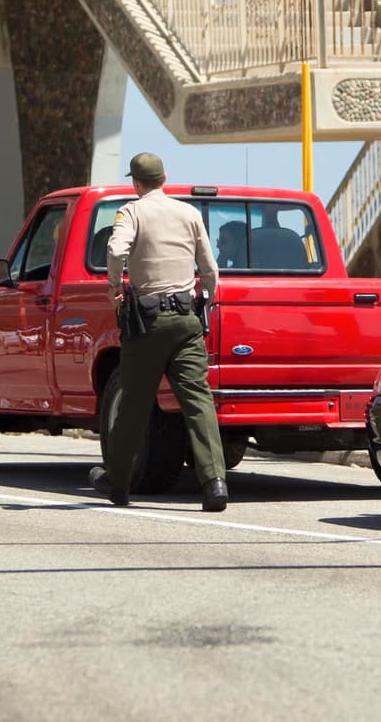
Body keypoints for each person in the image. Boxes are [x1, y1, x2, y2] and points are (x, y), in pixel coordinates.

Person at [87, 152, 229, 512]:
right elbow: (209, 268)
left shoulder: (132, 212)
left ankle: (118, 483)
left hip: (147, 322)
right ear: (164, 178)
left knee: (134, 403)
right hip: (186, 319)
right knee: (197, 401)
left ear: (136, 183)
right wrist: (206, 302)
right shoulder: (189, 213)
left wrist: (114, 286)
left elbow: (116, 248)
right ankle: (214, 483)